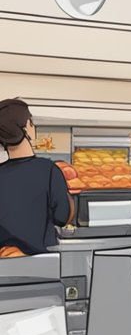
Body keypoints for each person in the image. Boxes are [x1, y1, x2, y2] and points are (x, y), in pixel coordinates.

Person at [0, 99, 74, 257]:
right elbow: (62, 217)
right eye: (31, 122)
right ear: (26, 128)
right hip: (41, 263)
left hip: (4, 264)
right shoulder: (48, 170)